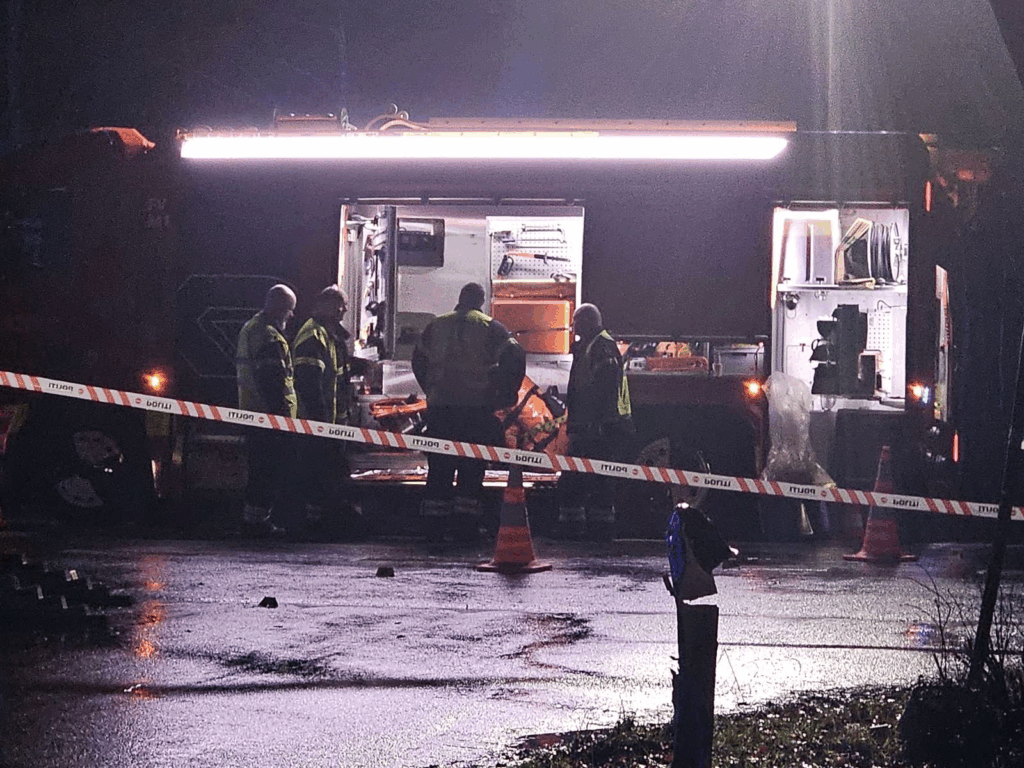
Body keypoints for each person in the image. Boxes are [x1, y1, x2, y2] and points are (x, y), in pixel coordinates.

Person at [412, 282, 525, 541]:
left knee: (439, 470)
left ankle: (434, 529)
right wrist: (505, 394)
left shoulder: (436, 325)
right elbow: (515, 356)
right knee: (471, 471)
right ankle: (465, 530)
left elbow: (418, 360)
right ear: (481, 301)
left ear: (460, 298)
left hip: (441, 411)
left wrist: (430, 389)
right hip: (476, 412)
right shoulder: (491, 327)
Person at [293, 285, 371, 539]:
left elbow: (336, 371)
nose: (344, 310)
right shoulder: (313, 335)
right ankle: (314, 525)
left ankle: (322, 522)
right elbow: (309, 380)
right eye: (340, 304)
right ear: (324, 305)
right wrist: (322, 422)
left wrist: (361, 366)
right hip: (319, 422)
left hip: (332, 423)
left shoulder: (329, 335)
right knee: (319, 475)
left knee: (328, 473)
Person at [558, 303, 635, 541]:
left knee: (589, 479)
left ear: (587, 322)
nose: (573, 326)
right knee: (587, 478)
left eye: (576, 321)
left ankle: (585, 529)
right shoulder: (594, 345)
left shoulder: (601, 346)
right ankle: (589, 529)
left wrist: (596, 423)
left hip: (600, 427)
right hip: (594, 425)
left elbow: (605, 388)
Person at [235, 283, 298, 537]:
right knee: (266, 472)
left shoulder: (252, 328)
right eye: (289, 310)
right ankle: (257, 524)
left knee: (260, 471)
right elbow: (272, 381)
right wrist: (281, 417)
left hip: (254, 413)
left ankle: (254, 521)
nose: (291, 316)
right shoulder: (269, 336)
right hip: (268, 417)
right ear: (280, 308)